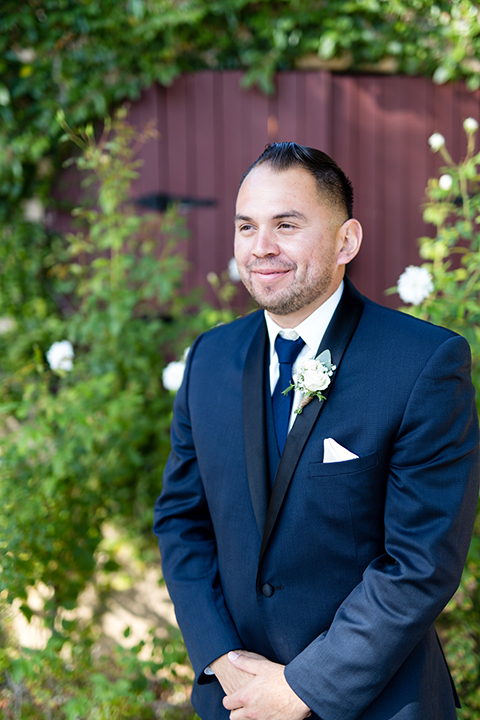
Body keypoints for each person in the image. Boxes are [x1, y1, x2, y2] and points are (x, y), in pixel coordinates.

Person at [153, 142, 479, 720]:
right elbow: (182, 521)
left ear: (346, 241)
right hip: (236, 698)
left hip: (373, 701)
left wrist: (304, 687)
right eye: (246, 226)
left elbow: (420, 563)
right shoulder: (209, 359)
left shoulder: (422, 364)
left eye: (287, 224)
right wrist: (220, 656)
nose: (261, 248)